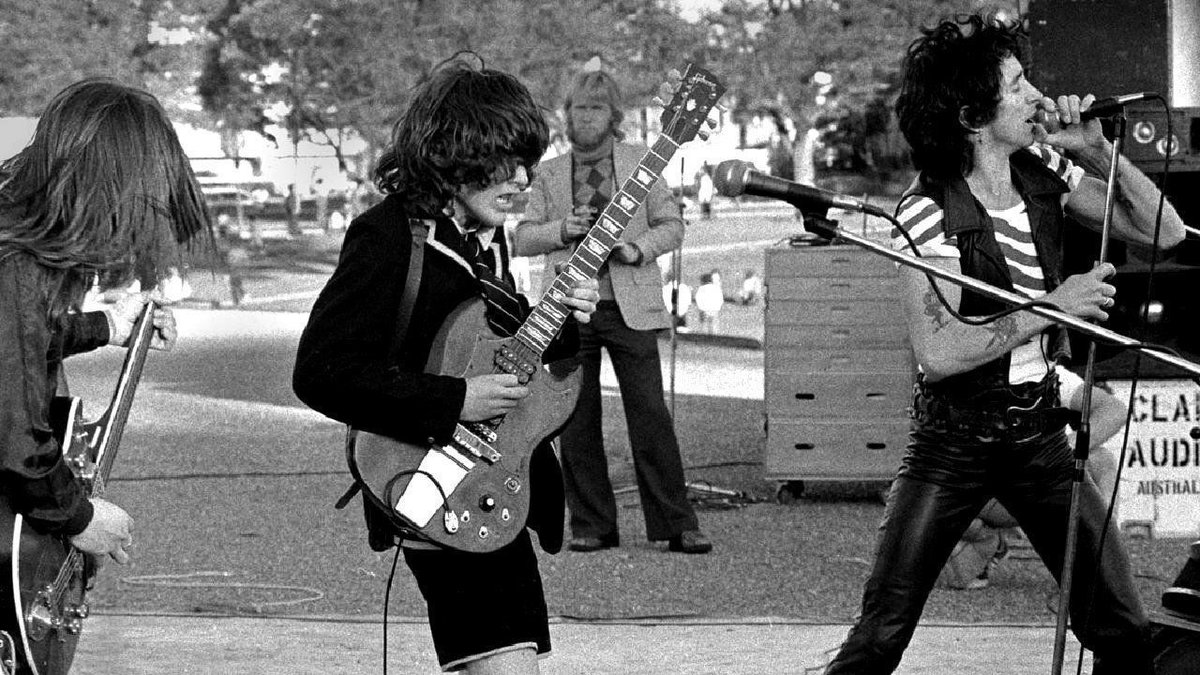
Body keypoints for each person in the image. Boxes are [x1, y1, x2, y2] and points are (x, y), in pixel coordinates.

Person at [824, 13, 1185, 674]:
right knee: (881, 633)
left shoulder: (1043, 171)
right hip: (951, 441)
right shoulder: (925, 209)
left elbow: (1165, 233)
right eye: (1016, 85)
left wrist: (1099, 152)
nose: (1035, 96)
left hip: (1038, 436)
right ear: (972, 115)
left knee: (1124, 632)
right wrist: (1053, 306)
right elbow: (939, 350)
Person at [292, 55, 599, 674]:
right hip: (430, 479)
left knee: (515, 661)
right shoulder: (389, 239)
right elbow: (320, 371)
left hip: (496, 483)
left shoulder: (481, 240)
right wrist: (455, 401)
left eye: (528, 165)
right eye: (503, 163)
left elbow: (509, 360)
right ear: (454, 156)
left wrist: (564, 320)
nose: (521, 180)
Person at [0, 79, 207, 613]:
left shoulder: (13, 240)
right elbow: (13, 431)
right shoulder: (14, 264)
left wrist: (107, 326)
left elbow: (20, 342)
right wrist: (79, 517)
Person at [513, 64, 712, 555]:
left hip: (631, 306)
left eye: (596, 108)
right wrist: (562, 228)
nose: (586, 117)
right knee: (575, 420)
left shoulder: (642, 161)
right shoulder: (550, 172)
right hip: (568, 308)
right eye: (579, 108)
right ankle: (592, 525)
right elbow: (521, 237)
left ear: (614, 114)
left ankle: (676, 523)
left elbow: (673, 224)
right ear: (567, 114)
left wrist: (637, 249)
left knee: (649, 415)